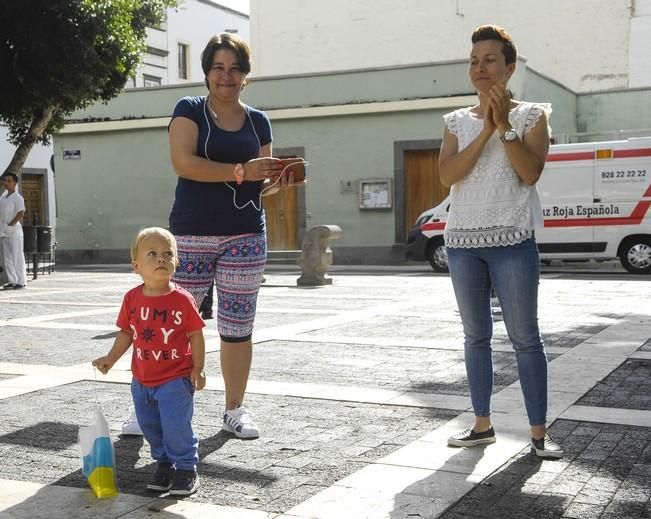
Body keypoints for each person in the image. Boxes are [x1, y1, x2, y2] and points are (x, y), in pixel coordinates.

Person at [167, 33, 302, 439]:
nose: (226, 76)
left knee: (237, 326)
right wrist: (241, 170)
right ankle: (156, 404)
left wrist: (279, 180)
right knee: (174, 323)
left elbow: (259, 185)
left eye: (235, 68)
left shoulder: (259, 120)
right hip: (191, 232)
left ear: (246, 75)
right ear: (207, 71)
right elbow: (184, 164)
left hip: (245, 234)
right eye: (218, 67)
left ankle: (234, 409)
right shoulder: (189, 109)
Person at [440, 25, 563, 459]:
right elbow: (448, 175)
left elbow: (529, 173)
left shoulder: (533, 115)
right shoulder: (456, 121)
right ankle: (481, 425)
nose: (480, 68)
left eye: (489, 60)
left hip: (513, 240)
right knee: (475, 337)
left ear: (509, 68)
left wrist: (506, 125)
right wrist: (488, 130)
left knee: (526, 337)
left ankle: (538, 434)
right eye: (474, 61)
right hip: (462, 243)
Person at [93, 227, 206, 495]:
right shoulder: (132, 298)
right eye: (152, 254)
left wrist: (198, 369)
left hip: (176, 379)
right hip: (142, 379)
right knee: (150, 426)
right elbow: (126, 333)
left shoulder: (182, 300)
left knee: (176, 426)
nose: (161, 259)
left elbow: (196, 336)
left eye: (168, 254)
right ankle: (164, 463)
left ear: (177, 261)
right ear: (136, 266)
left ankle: (187, 468)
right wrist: (110, 358)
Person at [0, 173, 27, 290]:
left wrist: (11, 224)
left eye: (9, 181)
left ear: (15, 183)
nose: (6, 183)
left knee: (16, 256)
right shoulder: (2, 198)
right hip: (4, 231)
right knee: (7, 258)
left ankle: (21, 281)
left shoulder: (18, 197)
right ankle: (12, 280)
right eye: (5, 180)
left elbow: (21, 213)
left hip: (15, 231)